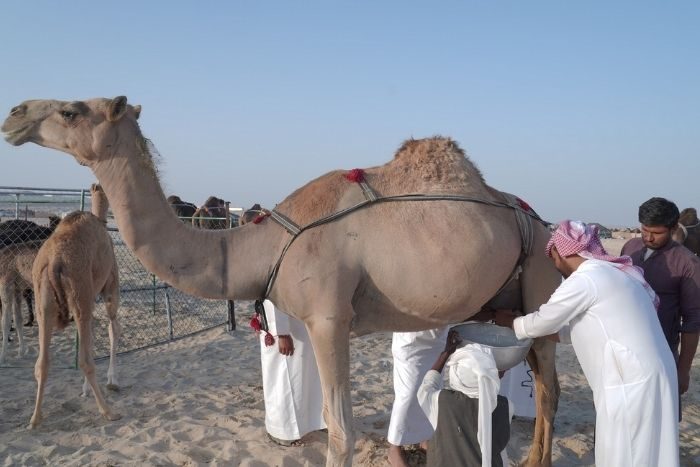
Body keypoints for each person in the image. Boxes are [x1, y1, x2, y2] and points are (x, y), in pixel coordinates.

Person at [494, 220, 679, 466]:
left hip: (629, 382)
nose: (555, 265)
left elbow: (541, 321)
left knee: (624, 452)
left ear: (561, 252)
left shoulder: (585, 279)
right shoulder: (615, 275)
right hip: (654, 375)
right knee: (653, 452)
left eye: (553, 257)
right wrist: (549, 333)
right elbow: (585, 328)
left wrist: (509, 322)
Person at [621, 197, 700, 395]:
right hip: (623, 348)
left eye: (657, 233)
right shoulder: (630, 247)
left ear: (673, 228)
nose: (648, 237)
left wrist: (683, 371)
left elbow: (693, 320)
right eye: (644, 230)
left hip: (661, 350)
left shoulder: (687, 263)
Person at [417, 329, 512, 467]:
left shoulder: (443, 402)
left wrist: (446, 353)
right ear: (492, 378)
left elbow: (427, 386)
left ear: (457, 376)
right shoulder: (506, 406)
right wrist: (494, 376)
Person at [258, 300, 326, 445]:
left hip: (300, 318)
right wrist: (281, 333)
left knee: (306, 375)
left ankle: (314, 422)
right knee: (284, 378)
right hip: (283, 323)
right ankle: (284, 431)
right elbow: (274, 292)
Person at [387, 327, 449, 466]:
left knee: (432, 388)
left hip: (437, 335)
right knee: (408, 394)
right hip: (411, 337)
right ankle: (394, 447)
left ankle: (425, 438)